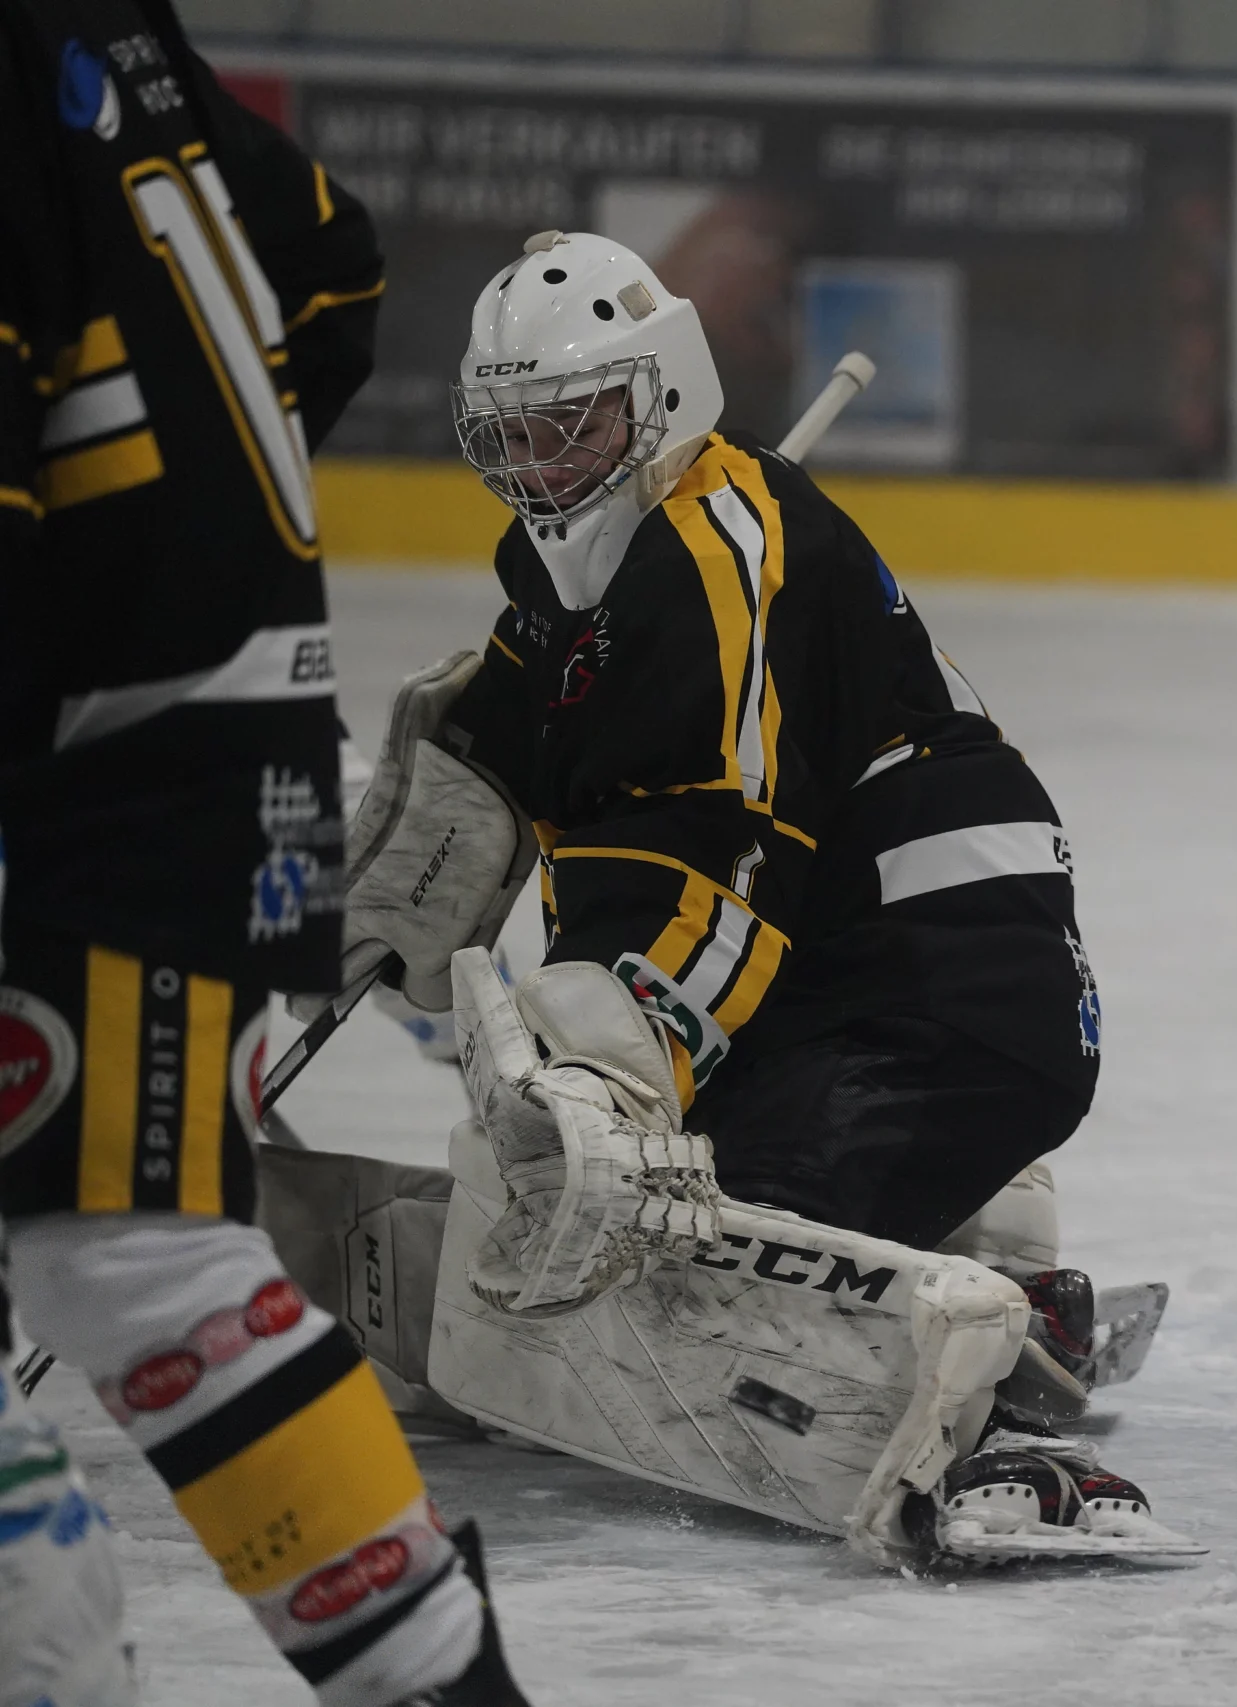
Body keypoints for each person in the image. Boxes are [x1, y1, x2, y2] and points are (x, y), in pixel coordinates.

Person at [325, 227, 1181, 1557]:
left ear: (661, 393)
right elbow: (548, 740)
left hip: (946, 1000)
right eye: (517, 435)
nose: (544, 468)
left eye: (576, 425)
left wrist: (612, 1067)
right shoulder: (605, 571)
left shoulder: (716, 556)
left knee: (688, 1252)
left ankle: (996, 1386)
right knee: (665, 1207)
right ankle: (1000, 1251)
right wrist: (442, 803)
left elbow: (707, 858)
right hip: (855, 985)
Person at [0, 1, 536, 1700]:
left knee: (133, 1254)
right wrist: (191, 542)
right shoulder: (94, 24)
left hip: (105, 742)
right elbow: (330, 260)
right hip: (206, 721)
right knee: (131, 1252)